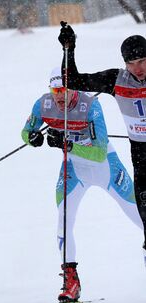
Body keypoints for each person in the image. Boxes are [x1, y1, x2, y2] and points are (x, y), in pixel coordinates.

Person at [22, 68, 144, 302]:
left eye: (65, 90)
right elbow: (25, 132)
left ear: (73, 89)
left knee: (140, 217)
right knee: (63, 221)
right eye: (55, 90)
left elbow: (98, 153)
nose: (60, 96)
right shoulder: (43, 105)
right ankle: (71, 282)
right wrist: (33, 138)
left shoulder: (90, 106)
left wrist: (67, 145)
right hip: (73, 170)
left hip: (106, 168)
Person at [58, 22, 146, 267]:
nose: (137, 68)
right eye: (132, 63)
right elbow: (72, 81)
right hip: (141, 157)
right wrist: (69, 48)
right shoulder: (117, 79)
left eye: (142, 61)